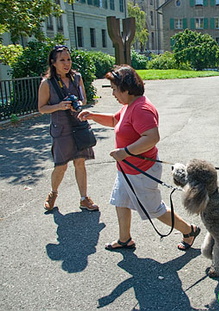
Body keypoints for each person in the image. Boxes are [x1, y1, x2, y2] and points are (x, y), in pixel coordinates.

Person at [78, 65, 200, 251]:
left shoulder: (141, 108)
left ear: (126, 88)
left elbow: (152, 137)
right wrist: (93, 116)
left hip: (141, 171)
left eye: (114, 89)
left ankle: (189, 230)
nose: (113, 94)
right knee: (120, 201)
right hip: (128, 169)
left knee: (154, 209)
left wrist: (124, 152)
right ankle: (125, 239)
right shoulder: (129, 105)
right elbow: (114, 120)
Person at [38, 45, 99, 212]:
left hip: (79, 125)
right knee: (61, 165)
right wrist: (58, 106)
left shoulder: (76, 78)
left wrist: (77, 104)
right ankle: (53, 193)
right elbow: (42, 108)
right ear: (53, 63)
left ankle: (84, 199)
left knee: (80, 162)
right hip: (61, 129)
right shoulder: (47, 83)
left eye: (69, 59)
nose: (67, 63)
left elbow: (84, 98)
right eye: (62, 60)